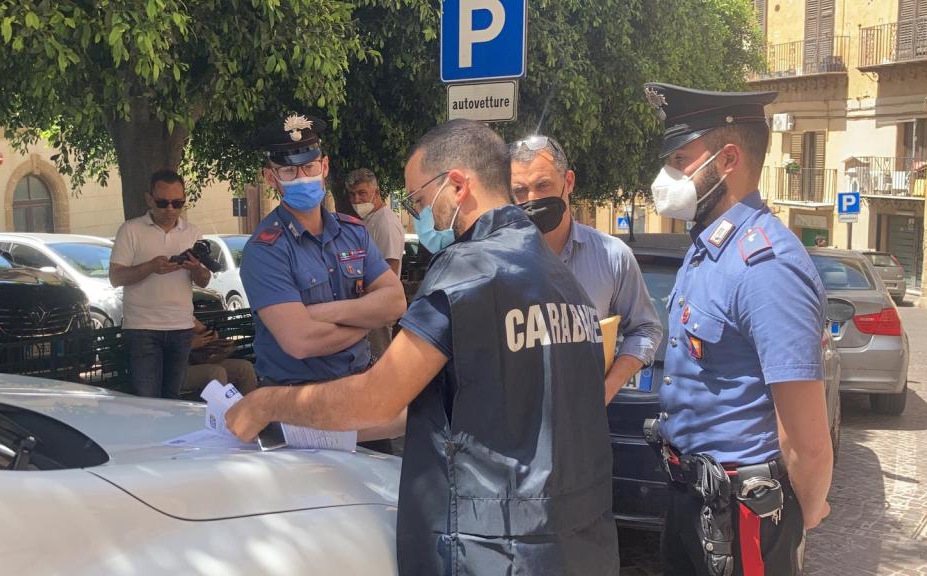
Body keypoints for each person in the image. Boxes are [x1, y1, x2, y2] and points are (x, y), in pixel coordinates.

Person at [227, 119, 619, 576]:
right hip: (576, 536)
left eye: (418, 200)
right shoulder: (560, 276)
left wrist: (268, 403)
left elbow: (379, 398)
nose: (421, 217)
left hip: (494, 545)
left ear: (456, 185)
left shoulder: (467, 271)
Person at [642, 82, 833, 576]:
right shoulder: (707, 249)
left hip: (743, 515)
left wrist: (800, 517)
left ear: (727, 159)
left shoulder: (766, 266)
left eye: (680, 160)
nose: (667, 176)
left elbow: (807, 441)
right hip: (690, 498)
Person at [238, 113, 405, 389]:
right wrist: (367, 321)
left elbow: (396, 303)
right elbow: (301, 341)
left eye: (309, 167)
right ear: (270, 177)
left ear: (324, 166)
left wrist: (322, 312)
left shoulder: (353, 233)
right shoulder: (266, 250)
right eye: (288, 171)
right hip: (297, 395)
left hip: (360, 385)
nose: (302, 178)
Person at [510, 135, 662, 403]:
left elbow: (645, 329)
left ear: (568, 182)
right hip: (516, 417)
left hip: (584, 419)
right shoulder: (498, 259)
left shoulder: (612, 256)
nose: (532, 199)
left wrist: (606, 390)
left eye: (543, 185)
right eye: (520, 191)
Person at [109, 169, 211, 399]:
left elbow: (204, 281)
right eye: (163, 203)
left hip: (181, 327)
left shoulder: (192, 232)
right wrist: (150, 267)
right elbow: (116, 278)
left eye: (178, 203)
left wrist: (196, 269)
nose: (170, 209)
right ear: (149, 199)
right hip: (142, 328)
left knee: (173, 399)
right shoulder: (130, 230)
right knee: (147, 401)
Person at [346, 167, 406, 359]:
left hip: (378, 309)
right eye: (352, 194)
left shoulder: (385, 223)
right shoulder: (369, 219)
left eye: (362, 193)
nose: (357, 200)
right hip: (366, 307)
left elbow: (391, 271)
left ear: (376, 193)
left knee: (380, 362)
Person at [181, 318, 258, 397]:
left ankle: (248, 404)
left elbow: (201, 329)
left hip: (194, 361)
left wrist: (212, 340)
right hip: (176, 370)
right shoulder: (172, 320)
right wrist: (189, 345)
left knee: (245, 367)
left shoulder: (184, 314)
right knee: (216, 372)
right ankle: (222, 404)